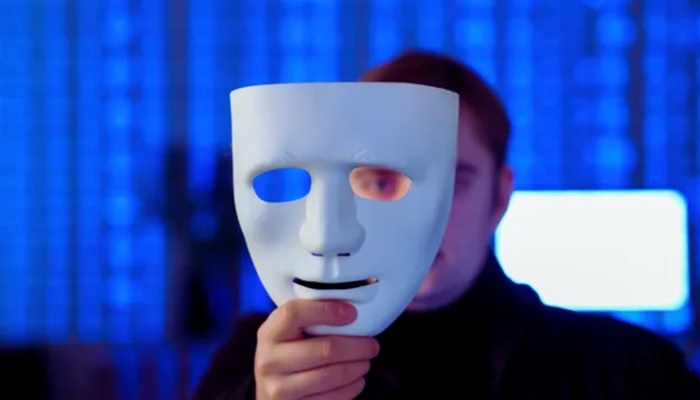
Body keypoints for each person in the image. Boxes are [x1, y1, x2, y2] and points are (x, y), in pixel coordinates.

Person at [193, 50, 700, 399]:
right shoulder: (259, 362)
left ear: (499, 196)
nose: (426, 220)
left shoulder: (629, 370)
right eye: (380, 181)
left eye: (454, 182)